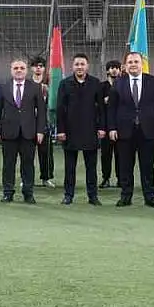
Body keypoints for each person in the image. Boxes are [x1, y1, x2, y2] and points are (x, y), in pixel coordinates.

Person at [108, 51, 154, 208]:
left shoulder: (153, 81)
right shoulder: (118, 83)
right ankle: (125, 196)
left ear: (142, 64)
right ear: (125, 65)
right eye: (130, 62)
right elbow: (112, 108)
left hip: (147, 131)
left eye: (136, 61)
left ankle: (150, 197)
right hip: (124, 131)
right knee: (125, 166)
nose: (133, 64)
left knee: (147, 166)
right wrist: (112, 128)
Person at [0, 58, 44, 204]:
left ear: (26, 70)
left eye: (21, 68)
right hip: (9, 132)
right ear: (11, 70)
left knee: (28, 164)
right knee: (8, 164)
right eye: (16, 68)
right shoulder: (3, 87)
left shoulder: (35, 87)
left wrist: (40, 131)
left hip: (29, 132)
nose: (19, 70)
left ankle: (28, 193)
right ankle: (8, 192)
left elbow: (41, 111)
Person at [55, 53, 104, 205]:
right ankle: (68, 195)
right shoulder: (64, 84)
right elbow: (60, 108)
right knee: (70, 167)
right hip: (70, 131)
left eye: (82, 64)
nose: (79, 67)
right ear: (73, 66)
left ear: (87, 66)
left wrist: (102, 127)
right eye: (77, 64)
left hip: (90, 130)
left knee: (91, 167)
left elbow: (101, 108)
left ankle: (93, 196)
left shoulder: (96, 83)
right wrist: (61, 130)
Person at [30, 56, 56, 188]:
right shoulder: (27, 84)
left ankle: (46, 177)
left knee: (46, 152)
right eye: (36, 66)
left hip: (45, 122)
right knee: (28, 152)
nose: (38, 68)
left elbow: (53, 102)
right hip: (29, 121)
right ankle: (27, 177)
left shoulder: (49, 84)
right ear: (31, 68)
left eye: (41, 66)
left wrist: (48, 91)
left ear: (45, 68)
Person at [98, 60, 121, 188]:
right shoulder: (101, 86)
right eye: (112, 68)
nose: (114, 70)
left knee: (120, 154)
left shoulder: (123, 85)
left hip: (120, 126)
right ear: (107, 70)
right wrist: (104, 100)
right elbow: (97, 106)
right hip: (106, 126)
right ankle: (105, 178)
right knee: (106, 154)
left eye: (117, 67)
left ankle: (120, 178)